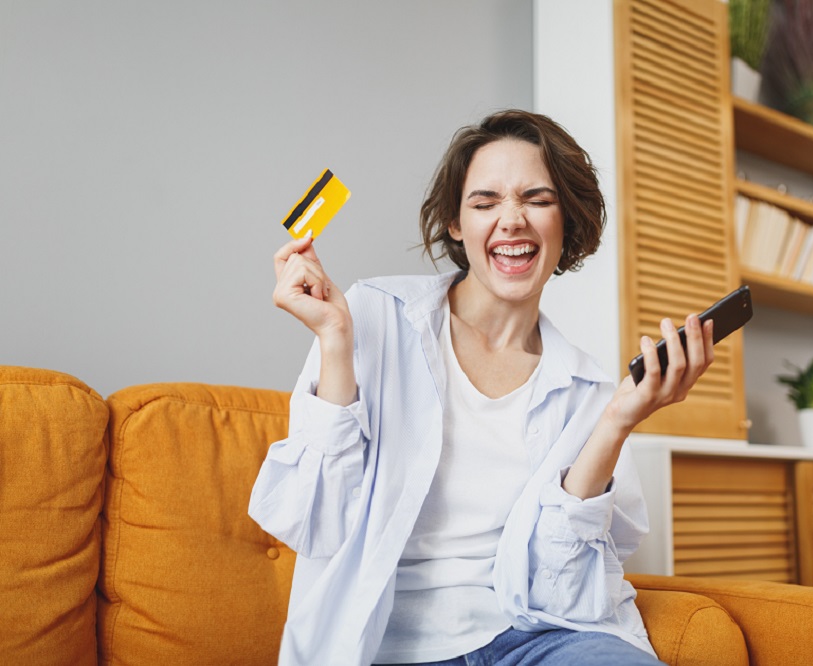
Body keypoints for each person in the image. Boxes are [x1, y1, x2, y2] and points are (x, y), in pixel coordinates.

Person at [249, 110, 714, 666]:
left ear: (567, 221)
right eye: (485, 201)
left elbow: (563, 592)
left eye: (537, 199)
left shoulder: (588, 387)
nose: (512, 219)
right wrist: (335, 341)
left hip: (536, 638)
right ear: (454, 223)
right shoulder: (371, 316)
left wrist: (617, 420)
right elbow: (314, 519)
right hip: (387, 646)